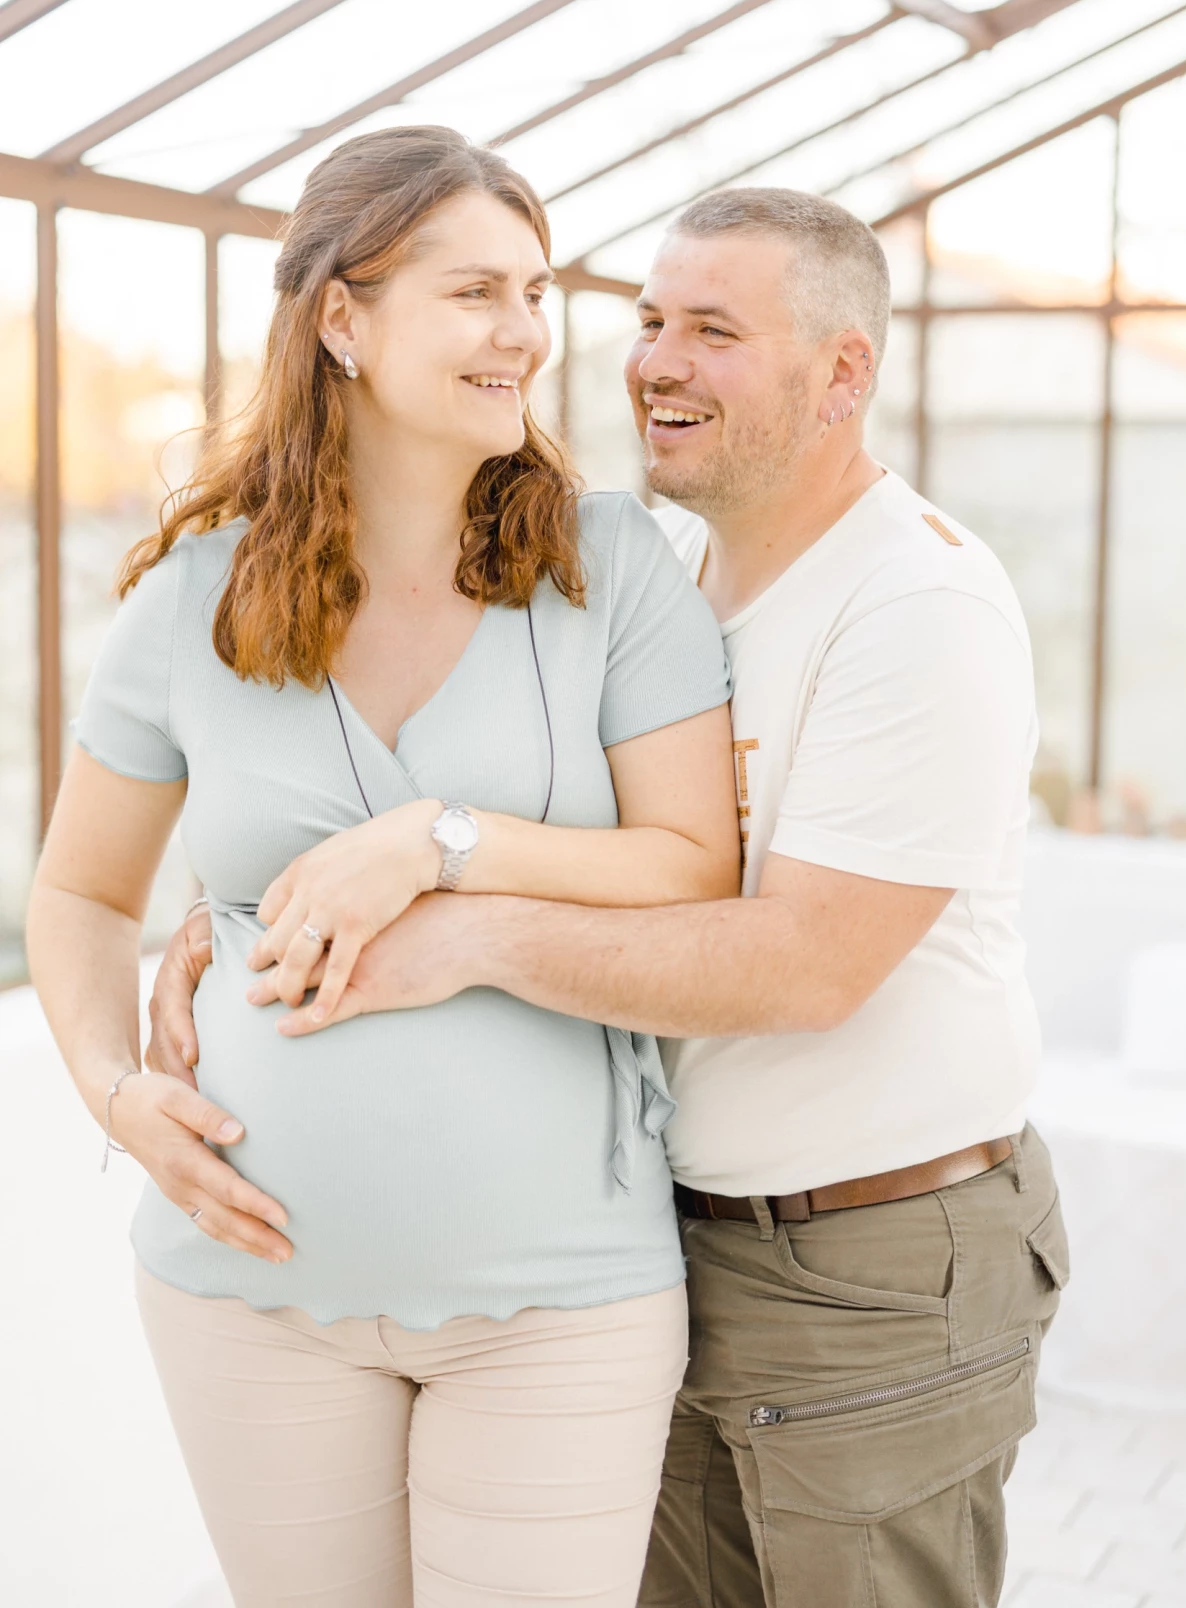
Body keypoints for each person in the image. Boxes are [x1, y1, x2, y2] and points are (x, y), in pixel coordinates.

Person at [150, 186, 1068, 1608]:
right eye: (648, 321)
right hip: (680, 1243)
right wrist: (235, 932)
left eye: (714, 330)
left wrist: (459, 927)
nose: (655, 362)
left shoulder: (914, 606)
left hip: (868, 1270)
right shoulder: (661, 575)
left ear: (844, 373)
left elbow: (808, 966)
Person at [26, 126, 746, 1608]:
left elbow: (691, 866)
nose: (525, 334)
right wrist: (114, 1090)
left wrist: (438, 843)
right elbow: (82, 896)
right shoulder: (192, 598)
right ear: (340, 318)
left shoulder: (612, 568)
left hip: (562, 1305)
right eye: (477, 292)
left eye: (535, 293)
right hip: (249, 1298)